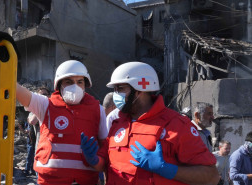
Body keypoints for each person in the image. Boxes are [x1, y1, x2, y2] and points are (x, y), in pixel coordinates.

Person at [80, 62, 219, 185]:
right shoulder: (118, 123)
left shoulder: (176, 125)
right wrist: (94, 160)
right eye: (115, 89)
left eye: (120, 88)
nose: (116, 94)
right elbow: (105, 163)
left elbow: (211, 177)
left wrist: (167, 169)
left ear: (139, 90)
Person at [16, 60, 108, 185]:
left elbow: (105, 150)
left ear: (85, 85)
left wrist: (96, 161)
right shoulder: (45, 105)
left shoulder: (98, 109)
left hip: (85, 181)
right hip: (49, 181)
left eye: (79, 82)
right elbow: (21, 93)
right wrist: (4, 70)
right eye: (68, 82)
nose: (75, 86)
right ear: (59, 85)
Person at [24, 87, 51, 177]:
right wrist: (40, 108)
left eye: (44, 95)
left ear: (49, 96)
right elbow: (32, 121)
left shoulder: (54, 108)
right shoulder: (36, 109)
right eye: (39, 95)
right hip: (40, 148)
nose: (41, 97)